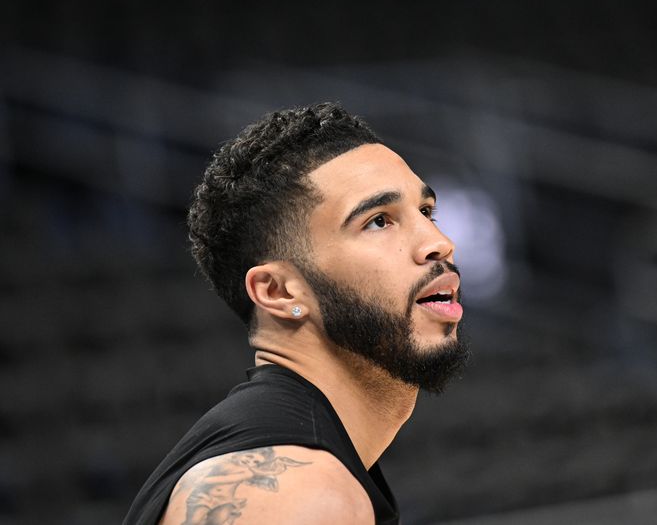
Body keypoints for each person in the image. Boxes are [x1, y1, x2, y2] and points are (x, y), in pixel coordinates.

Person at [123, 102, 470, 525]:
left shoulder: (300, 459)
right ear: (278, 291)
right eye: (378, 221)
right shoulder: (294, 494)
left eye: (427, 211)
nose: (438, 242)